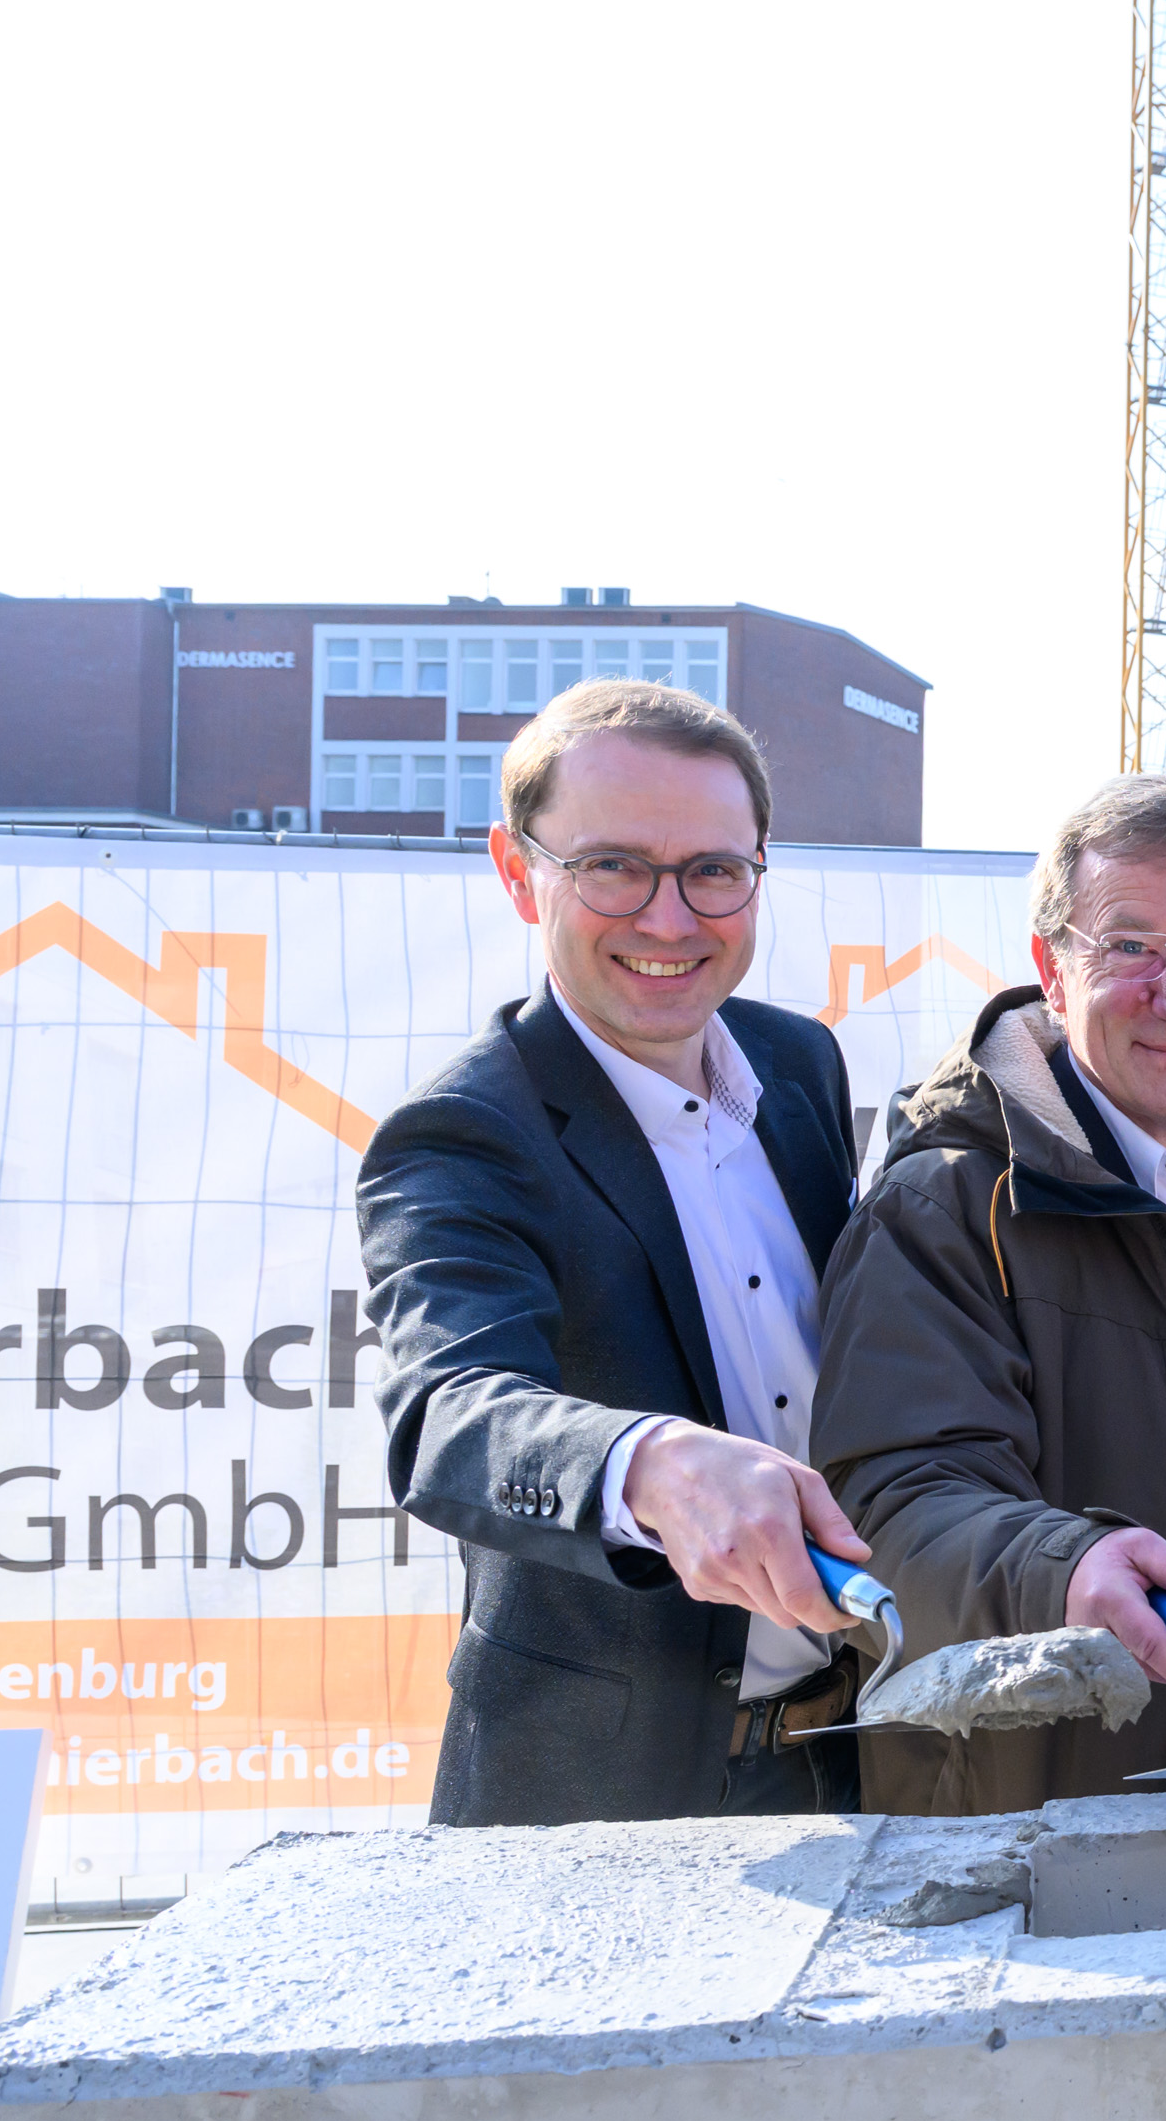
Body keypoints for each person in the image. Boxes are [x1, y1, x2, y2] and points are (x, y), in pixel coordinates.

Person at [811, 775, 1166, 1808]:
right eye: (1131, 947)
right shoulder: (947, 1203)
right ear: (1050, 966)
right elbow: (891, 1507)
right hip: (1061, 1834)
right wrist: (1063, 1568)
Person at [360, 680, 868, 1825]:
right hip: (603, 1796)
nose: (670, 917)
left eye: (712, 870)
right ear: (514, 868)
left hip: (854, 1753)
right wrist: (648, 1465)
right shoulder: (465, 1133)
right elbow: (447, 1412)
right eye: (614, 867)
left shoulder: (799, 1069)